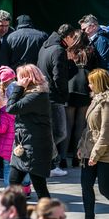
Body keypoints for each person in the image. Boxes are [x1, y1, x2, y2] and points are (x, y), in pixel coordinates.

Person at [71, 68, 109, 219]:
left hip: (104, 153)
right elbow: (89, 128)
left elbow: (105, 131)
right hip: (89, 150)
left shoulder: (106, 102)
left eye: (91, 82)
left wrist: (95, 154)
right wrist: (81, 146)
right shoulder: (95, 99)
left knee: (104, 188)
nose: (88, 85)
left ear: (99, 83)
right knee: (86, 186)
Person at [6, 64, 53, 199]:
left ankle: (48, 215)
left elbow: (11, 108)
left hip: (34, 146)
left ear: (28, 79)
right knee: (14, 181)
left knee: (40, 186)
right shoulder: (30, 94)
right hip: (24, 144)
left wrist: (19, 88)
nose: (17, 81)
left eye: (20, 78)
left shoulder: (36, 96)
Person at [37, 23, 75, 177]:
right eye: (73, 37)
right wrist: (63, 95)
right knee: (59, 132)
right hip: (54, 97)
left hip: (45, 94)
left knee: (52, 132)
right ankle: (50, 162)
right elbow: (59, 76)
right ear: (67, 37)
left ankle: (48, 162)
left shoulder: (45, 46)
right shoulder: (58, 50)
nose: (73, 40)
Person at [0, 66, 32, 195]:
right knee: (24, 166)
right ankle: (26, 189)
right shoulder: (24, 106)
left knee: (9, 168)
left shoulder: (4, 109)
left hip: (8, 146)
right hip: (22, 142)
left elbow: (2, 128)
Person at [59, 30, 99, 169]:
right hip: (85, 89)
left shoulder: (68, 51)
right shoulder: (91, 50)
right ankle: (77, 157)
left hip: (70, 88)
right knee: (81, 125)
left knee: (68, 125)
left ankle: (62, 158)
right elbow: (95, 69)